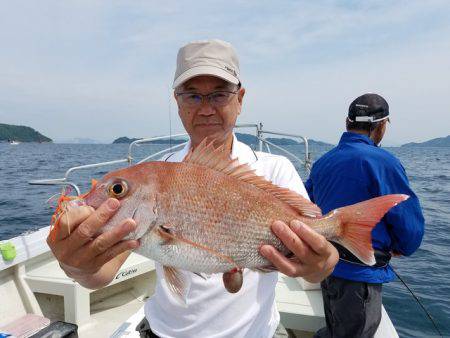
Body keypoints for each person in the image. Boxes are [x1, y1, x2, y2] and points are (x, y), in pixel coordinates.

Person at [47, 39, 338, 338]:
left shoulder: (274, 169)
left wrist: (324, 262)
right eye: (193, 96)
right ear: (177, 101)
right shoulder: (161, 171)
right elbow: (102, 273)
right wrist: (77, 267)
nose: (206, 109)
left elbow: (316, 267)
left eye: (219, 94)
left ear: (240, 99)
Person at [306, 93, 425, 338]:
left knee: (335, 327)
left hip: (327, 267)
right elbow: (407, 223)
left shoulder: (323, 162)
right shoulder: (383, 161)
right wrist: (403, 246)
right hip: (359, 275)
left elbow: (306, 204)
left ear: (347, 122)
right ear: (381, 126)